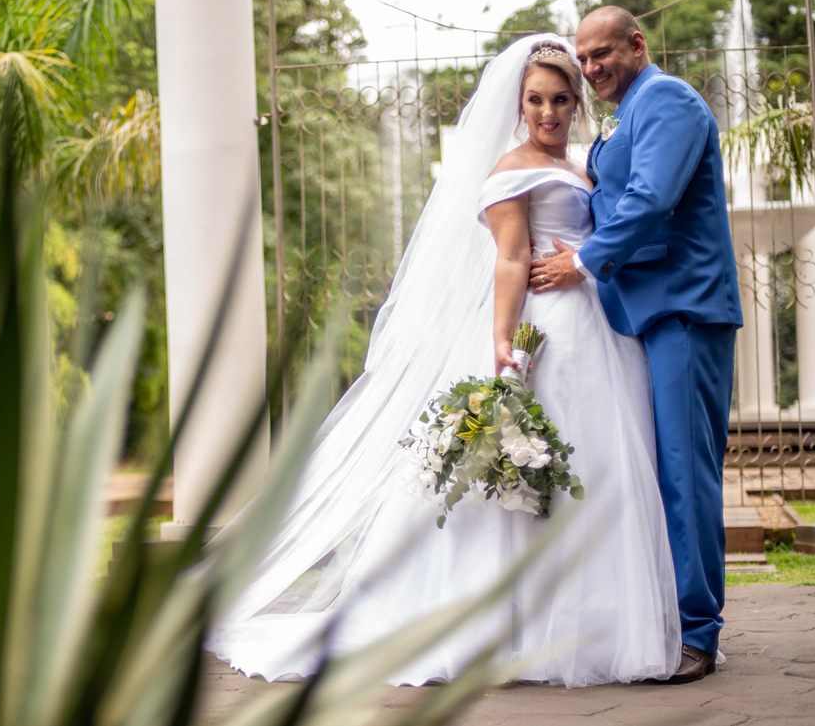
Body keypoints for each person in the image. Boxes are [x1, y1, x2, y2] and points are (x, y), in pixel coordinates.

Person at [209, 35, 682, 688]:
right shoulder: (511, 170)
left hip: (597, 326)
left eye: (561, 100)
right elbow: (512, 259)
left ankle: (594, 620)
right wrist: (503, 347)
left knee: (599, 467)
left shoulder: (582, 165)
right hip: (546, 329)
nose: (549, 112)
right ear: (519, 103)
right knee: (533, 476)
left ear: (578, 103)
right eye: (537, 100)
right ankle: (510, 623)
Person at [530, 6, 741, 683]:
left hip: (682, 309)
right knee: (662, 469)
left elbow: (651, 198)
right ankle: (672, 618)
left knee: (686, 473)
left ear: (637, 43)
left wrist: (583, 261)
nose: (591, 70)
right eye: (583, 60)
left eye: (601, 55)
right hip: (643, 314)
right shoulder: (630, 113)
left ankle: (698, 634)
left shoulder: (669, 100)